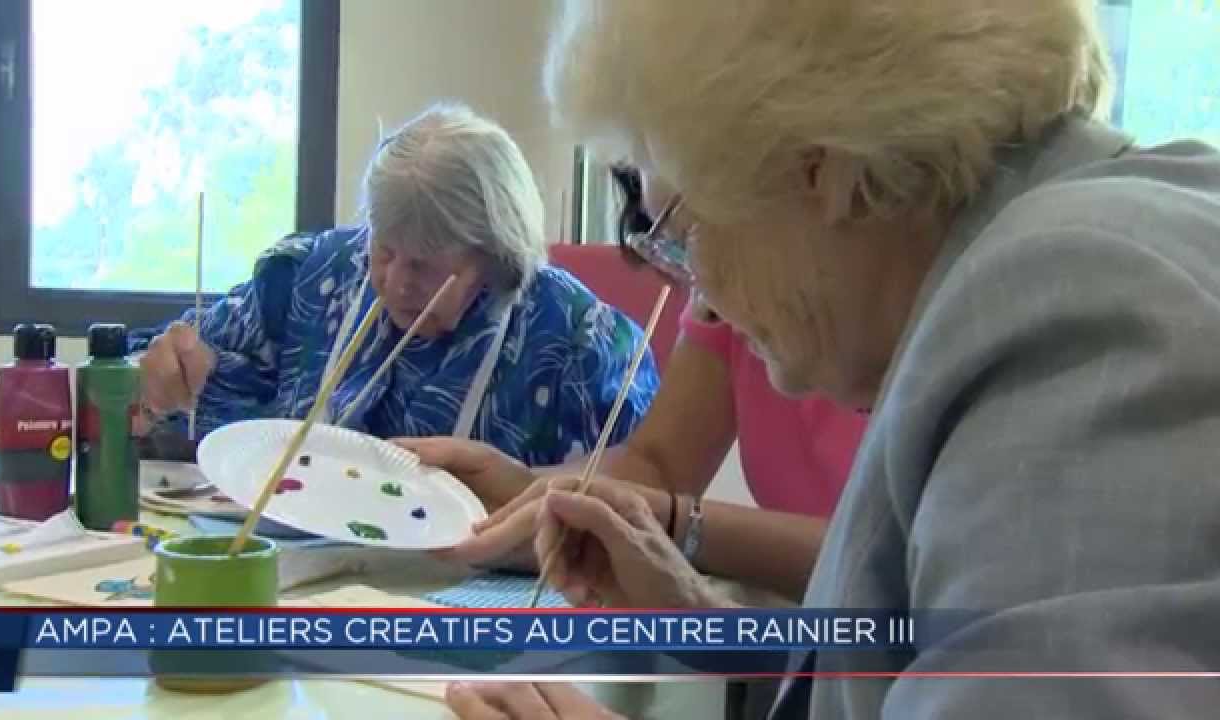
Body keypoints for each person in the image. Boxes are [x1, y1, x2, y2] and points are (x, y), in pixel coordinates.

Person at [445, 0, 1220, 718]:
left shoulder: (1071, 302)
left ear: (822, 169)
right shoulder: (1041, 266)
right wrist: (695, 614)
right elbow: (914, 664)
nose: (697, 283)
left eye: (682, 225)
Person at [400, 166, 868, 602]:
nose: (699, 285)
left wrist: (671, 524)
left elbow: (896, 562)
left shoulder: (914, 320)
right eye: (675, 242)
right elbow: (657, 463)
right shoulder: (726, 301)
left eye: (695, 232)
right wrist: (523, 487)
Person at [134, 103, 659, 467]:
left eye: (426, 266)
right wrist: (163, 376)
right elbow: (142, 374)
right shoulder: (312, 278)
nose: (396, 283)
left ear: (492, 253)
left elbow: (636, 496)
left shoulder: (579, 344)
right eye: (385, 251)